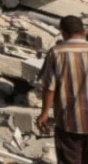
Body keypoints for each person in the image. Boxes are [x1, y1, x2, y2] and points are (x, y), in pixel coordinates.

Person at [37, 15, 88, 161]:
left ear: (63, 33)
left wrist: (44, 113)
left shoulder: (56, 52)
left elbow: (49, 86)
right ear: (84, 31)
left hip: (68, 122)